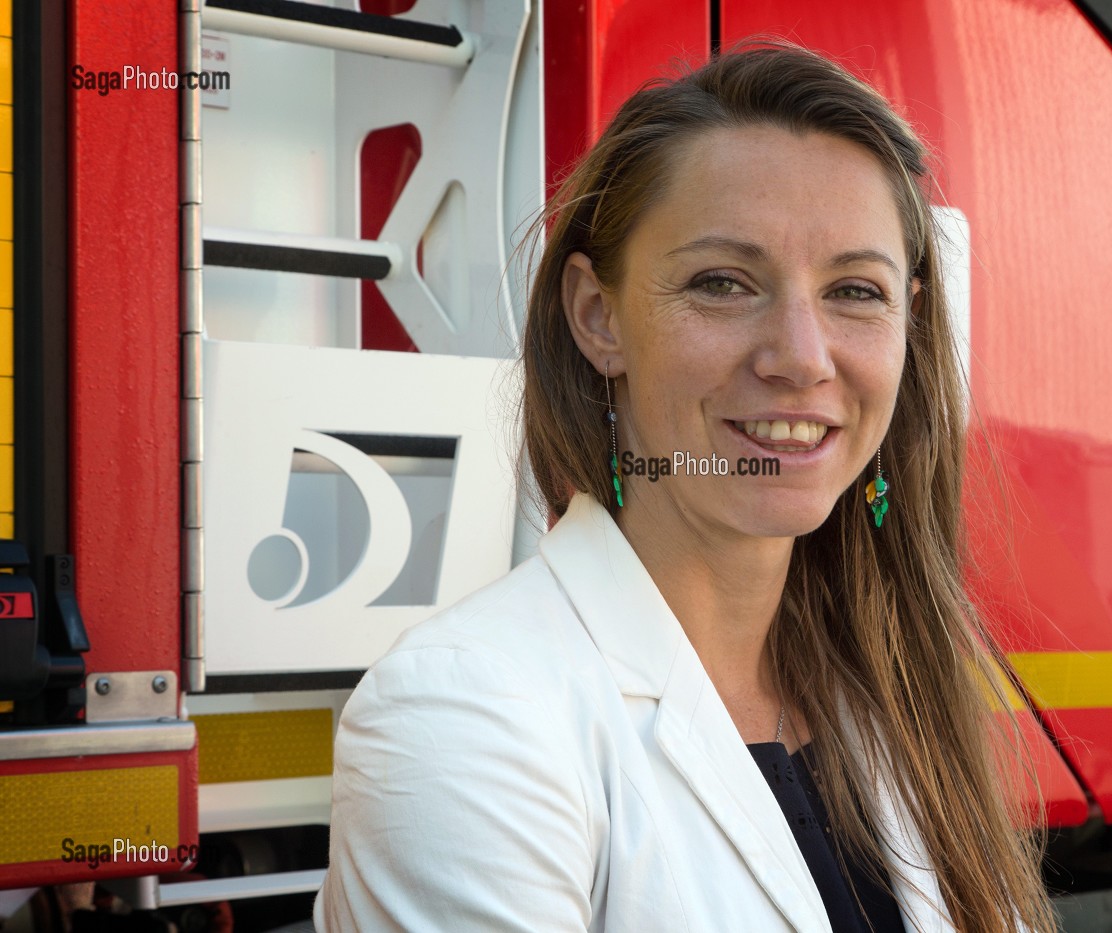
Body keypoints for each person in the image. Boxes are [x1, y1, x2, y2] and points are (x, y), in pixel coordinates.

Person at [314, 42, 1054, 933]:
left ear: (910, 323)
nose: (802, 358)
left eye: (856, 290)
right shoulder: (461, 714)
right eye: (723, 283)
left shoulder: (888, 694)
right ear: (598, 317)